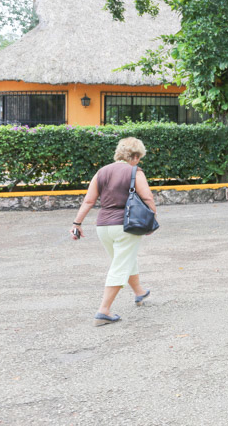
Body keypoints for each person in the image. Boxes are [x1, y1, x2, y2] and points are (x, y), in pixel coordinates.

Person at [70, 137, 156, 326]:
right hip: (126, 225)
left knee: (124, 259)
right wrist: (151, 220)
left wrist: (77, 223)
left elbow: (89, 201)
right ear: (133, 156)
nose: (139, 161)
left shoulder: (101, 172)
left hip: (103, 227)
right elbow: (148, 197)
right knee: (120, 266)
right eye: (139, 157)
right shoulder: (135, 171)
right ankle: (103, 311)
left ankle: (139, 292)